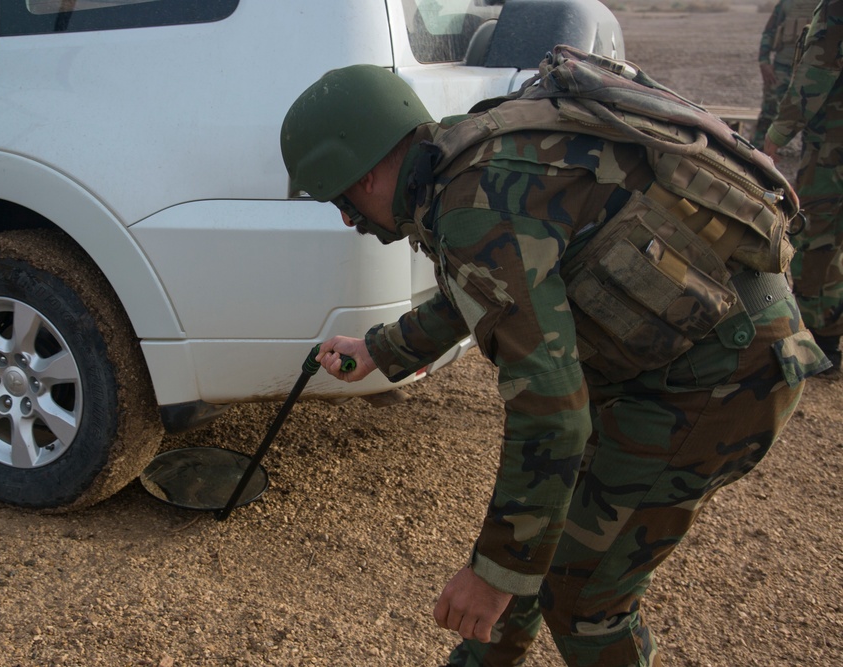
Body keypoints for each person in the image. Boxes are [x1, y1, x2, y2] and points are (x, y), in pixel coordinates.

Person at [281, 62, 829, 667]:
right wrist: (382, 349)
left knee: (580, 597)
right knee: (539, 526)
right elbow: (502, 282)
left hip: (722, 374)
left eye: (342, 200)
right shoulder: (468, 153)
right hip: (692, 340)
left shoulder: (471, 201)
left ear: (365, 175)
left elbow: (554, 416)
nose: (347, 220)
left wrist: (490, 576)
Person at [763, 0, 843, 374]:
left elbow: (815, 77)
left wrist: (775, 139)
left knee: (818, 241)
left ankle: (822, 344)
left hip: (832, 148)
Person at [753, 0, 820, 145]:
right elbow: (769, 31)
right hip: (782, 68)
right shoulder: (786, 3)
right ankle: (756, 154)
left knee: (816, 118)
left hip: (814, 72)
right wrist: (763, 61)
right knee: (769, 113)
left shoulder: (829, 5)